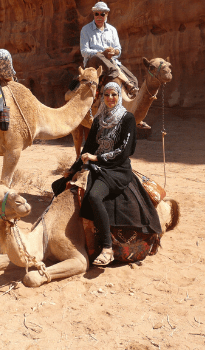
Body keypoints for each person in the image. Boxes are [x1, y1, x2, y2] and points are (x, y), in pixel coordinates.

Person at [63, 82, 162, 265]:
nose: (110, 98)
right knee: (60, 186)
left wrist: (97, 159)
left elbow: (125, 150)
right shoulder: (99, 119)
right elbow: (90, 146)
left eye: (114, 95)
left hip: (117, 169)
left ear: (119, 97)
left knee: (94, 196)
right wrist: (74, 168)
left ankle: (107, 248)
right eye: (106, 95)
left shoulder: (127, 119)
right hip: (96, 166)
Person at [80, 1, 151, 129]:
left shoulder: (112, 30)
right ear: (93, 14)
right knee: (99, 57)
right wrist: (102, 52)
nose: (99, 16)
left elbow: (118, 50)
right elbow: (84, 51)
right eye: (97, 14)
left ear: (107, 15)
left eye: (103, 14)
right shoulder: (86, 30)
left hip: (111, 62)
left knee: (133, 79)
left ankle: (133, 114)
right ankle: (127, 84)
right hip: (93, 63)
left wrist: (114, 52)